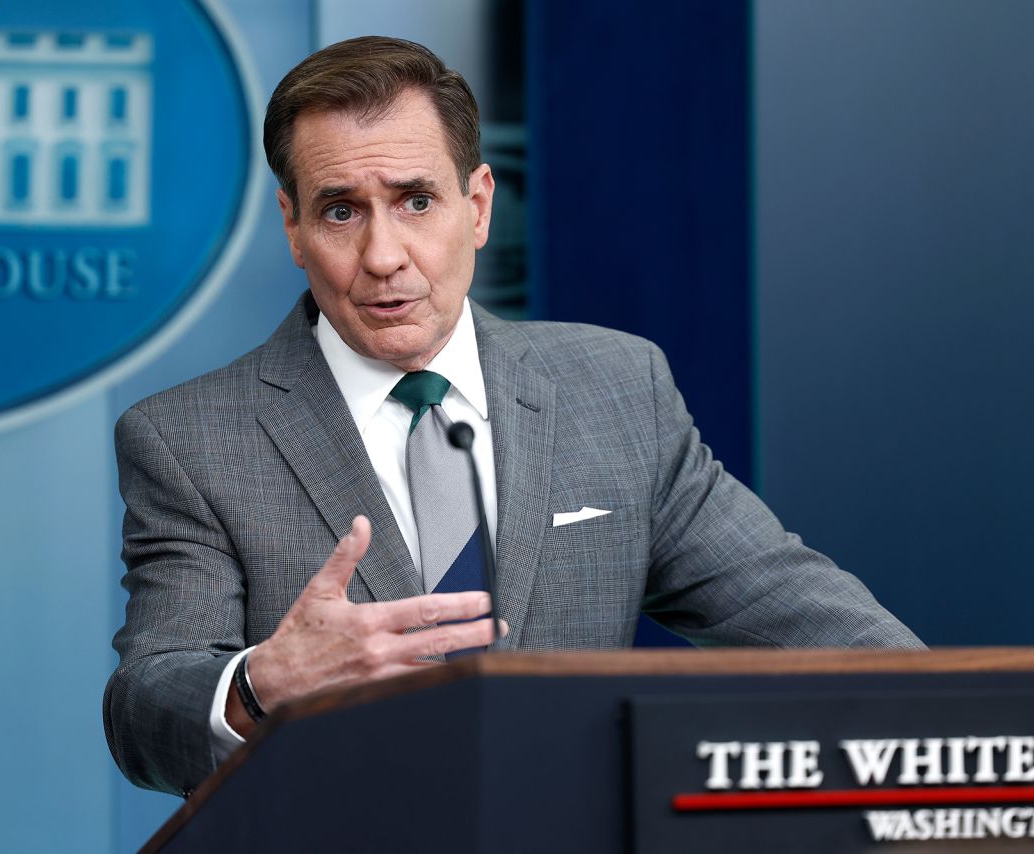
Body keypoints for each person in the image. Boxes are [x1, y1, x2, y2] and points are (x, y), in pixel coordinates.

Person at [103, 36, 923, 798]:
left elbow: (787, 606)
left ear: (480, 204)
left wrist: (979, 718)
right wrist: (260, 683)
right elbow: (144, 706)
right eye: (342, 211)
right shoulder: (191, 440)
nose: (385, 256)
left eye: (417, 201)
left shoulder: (615, 389)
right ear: (293, 227)